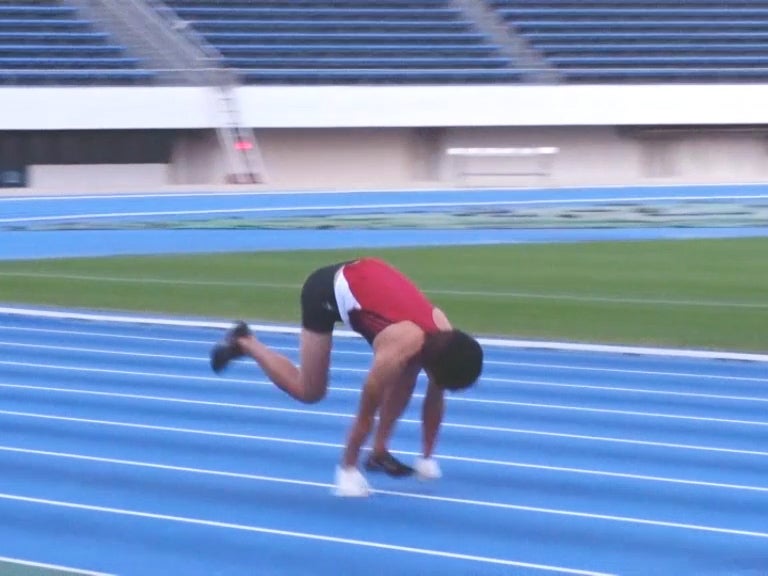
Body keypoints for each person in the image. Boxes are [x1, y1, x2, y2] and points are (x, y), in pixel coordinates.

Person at [209, 257, 483, 497]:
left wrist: (426, 457)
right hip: (325, 290)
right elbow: (366, 411)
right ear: (437, 367)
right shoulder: (397, 349)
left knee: (409, 372)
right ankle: (245, 341)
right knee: (311, 391)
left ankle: (379, 453)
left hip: (370, 277)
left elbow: (434, 400)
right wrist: (348, 469)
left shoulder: (445, 335)